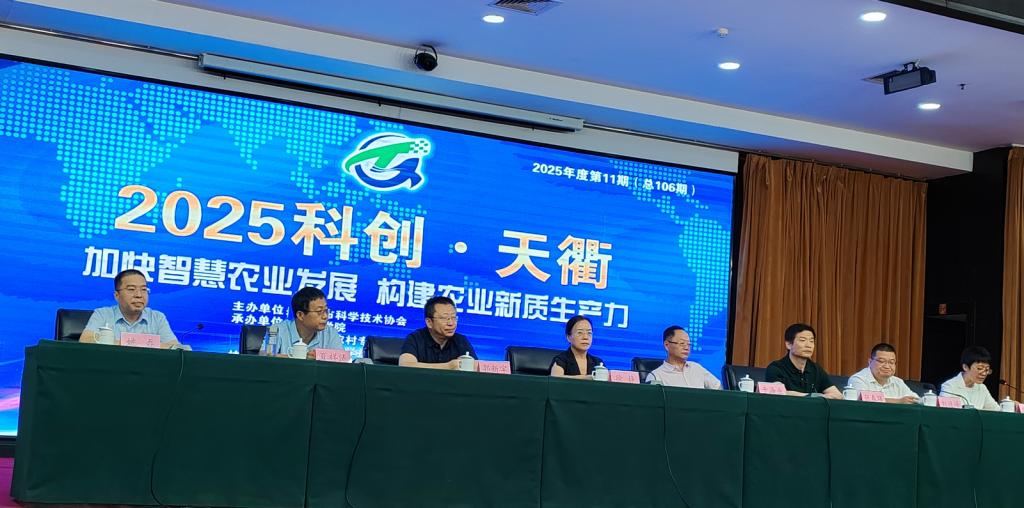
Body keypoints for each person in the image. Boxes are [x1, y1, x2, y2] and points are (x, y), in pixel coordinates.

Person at [80, 269, 182, 349]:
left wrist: (123, 343)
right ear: (117, 295)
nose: (139, 295)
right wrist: (142, 344)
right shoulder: (103, 314)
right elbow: (86, 340)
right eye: (131, 289)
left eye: (143, 289)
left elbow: (176, 348)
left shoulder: (157, 317)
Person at [765, 323, 842, 399]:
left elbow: (838, 395)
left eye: (811, 341)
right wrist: (812, 396)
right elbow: (779, 393)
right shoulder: (775, 368)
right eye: (802, 340)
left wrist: (816, 396)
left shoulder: (816, 369)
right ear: (788, 344)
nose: (808, 345)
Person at [399, 296, 477, 369]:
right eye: (444, 318)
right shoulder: (415, 338)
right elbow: (405, 365)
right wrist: (449, 366)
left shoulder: (461, 340)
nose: (451, 323)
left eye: (453, 317)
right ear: (429, 322)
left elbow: (477, 368)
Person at [274, 286, 344, 359]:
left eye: (326, 310)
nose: (325, 316)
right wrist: (303, 357)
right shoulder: (277, 331)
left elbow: (341, 359)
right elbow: (267, 356)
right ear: (300, 315)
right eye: (319, 311)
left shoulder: (330, 333)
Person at [646, 326, 721, 389]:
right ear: (667, 345)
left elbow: (718, 388)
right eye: (682, 343)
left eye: (689, 344)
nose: (686, 348)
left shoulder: (696, 368)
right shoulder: (656, 376)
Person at [847, 343, 919, 404]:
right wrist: (898, 401)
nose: (887, 366)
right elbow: (863, 398)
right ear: (870, 362)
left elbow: (916, 400)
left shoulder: (898, 382)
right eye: (881, 361)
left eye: (891, 362)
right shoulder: (858, 379)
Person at [939, 346, 1000, 410]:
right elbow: (944, 412)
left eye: (987, 369)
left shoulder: (982, 388)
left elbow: (996, 410)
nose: (984, 373)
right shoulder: (949, 386)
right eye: (980, 368)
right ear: (965, 367)